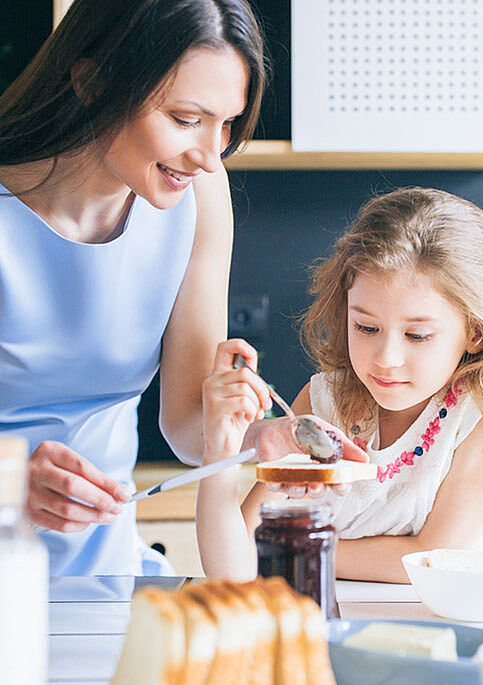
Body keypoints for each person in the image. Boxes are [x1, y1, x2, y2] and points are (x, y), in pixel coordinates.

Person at [0, 0, 278, 575]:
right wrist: (8, 486)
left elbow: (185, 426)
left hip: (106, 577)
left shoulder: (199, 199)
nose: (208, 155)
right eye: (184, 119)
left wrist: (263, 435)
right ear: (92, 83)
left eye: (226, 123)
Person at [197, 187, 483, 583]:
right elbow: (236, 565)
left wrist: (294, 545)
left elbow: (432, 557)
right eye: (366, 327)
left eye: (416, 336)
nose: (385, 357)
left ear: (476, 333)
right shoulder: (325, 402)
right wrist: (219, 452)